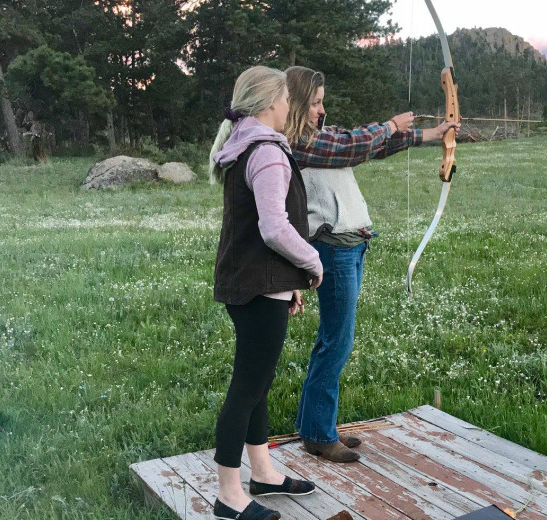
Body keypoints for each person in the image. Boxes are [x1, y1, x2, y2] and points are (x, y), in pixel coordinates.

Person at [283, 66, 460, 463]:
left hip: (350, 248)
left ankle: (316, 427)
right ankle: (318, 434)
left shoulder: (319, 138)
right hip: (333, 250)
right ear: (295, 103)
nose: (321, 109)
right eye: (314, 102)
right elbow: (349, 144)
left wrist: (432, 135)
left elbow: (366, 147)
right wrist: (390, 124)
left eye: (322, 101)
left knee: (333, 340)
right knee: (336, 342)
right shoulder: (296, 141)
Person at [209, 65, 323, 520]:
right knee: (247, 388)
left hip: (251, 284)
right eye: (286, 99)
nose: (290, 106)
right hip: (258, 287)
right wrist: (311, 264)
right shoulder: (268, 152)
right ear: (270, 103)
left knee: (258, 382)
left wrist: (288, 285)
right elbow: (275, 228)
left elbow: (260, 231)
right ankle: (228, 494)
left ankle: (263, 474)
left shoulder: (245, 145)